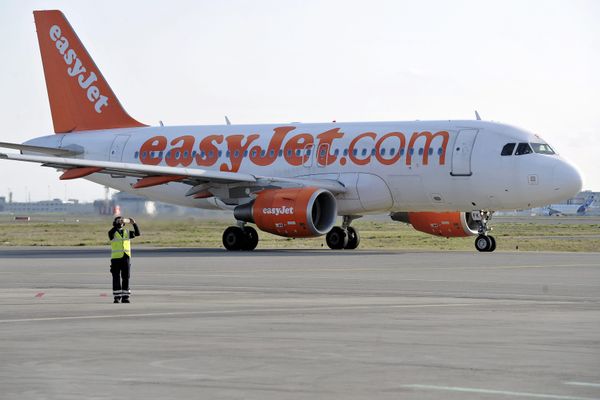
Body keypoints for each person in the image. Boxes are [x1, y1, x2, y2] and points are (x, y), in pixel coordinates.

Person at [108, 216, 140, 303]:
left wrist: (134, 224)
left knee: (126, 277)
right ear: (115, 223)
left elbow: (137, 233)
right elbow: (111, 234)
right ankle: (117, 297)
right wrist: (117, 224)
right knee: (116, 278)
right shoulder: (112, 232)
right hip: (116, 258)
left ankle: (125, 297)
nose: (120, 222)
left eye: (121, 221)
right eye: (118, 221)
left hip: (126, 257)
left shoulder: (126, 232)